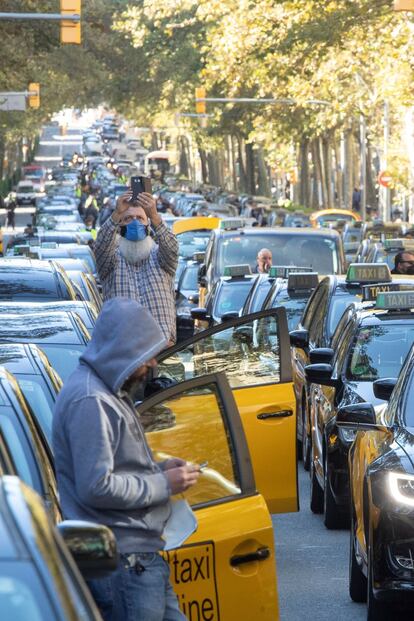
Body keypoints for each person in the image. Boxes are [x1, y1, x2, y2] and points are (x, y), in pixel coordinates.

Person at [52, 298, 199, 621]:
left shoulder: (108, 392)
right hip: (125, 563)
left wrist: (161, 470)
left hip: (138, 559)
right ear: (124, 350)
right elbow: (97, 486)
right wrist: (163, 483)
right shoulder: (91, 400)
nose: (152, 365)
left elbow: (116, 470)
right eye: (146, 355)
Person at [95, 191, 178, 344]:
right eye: (128, 218)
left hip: (163, 353)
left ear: (148, 225)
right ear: (120, 226)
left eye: (140, 218)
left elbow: (172, 248)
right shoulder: (111, 261)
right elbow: (101, 245)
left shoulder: (160, 258)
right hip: (125, 354)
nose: (135, 222)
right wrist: (117, 213)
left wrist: (154, 216)